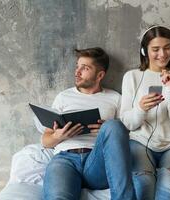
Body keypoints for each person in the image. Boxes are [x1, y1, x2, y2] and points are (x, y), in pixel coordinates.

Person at [42, 47, 135, 200]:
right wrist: (59, 136)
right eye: (77, 66)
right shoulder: (64, 97)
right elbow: (45, 140)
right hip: (66, 160)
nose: (77, 72)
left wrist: (106, 133)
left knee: (114, 126)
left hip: (97, 162)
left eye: (84, 68)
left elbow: (126, 137)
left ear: (100, 75)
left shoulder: (115, 98)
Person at [120, 26, 170, 200]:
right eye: (155, 49)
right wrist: (141, 108)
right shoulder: (131, 77)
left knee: (168, 185)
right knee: (143, 184)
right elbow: (127, 123)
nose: (162, 54)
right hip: (140, 143)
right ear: (144, 51)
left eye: (167, 47)